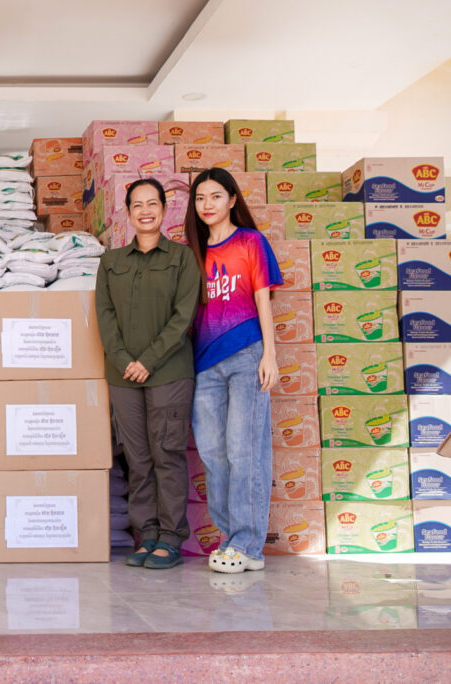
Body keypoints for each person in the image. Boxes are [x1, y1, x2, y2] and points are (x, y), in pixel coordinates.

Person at [95, 178, 201, 570]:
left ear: (164, 209)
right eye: (137, 205)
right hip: (122, 375)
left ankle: (171, 538)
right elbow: (105, 316)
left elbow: (183, 317)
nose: (145, 211)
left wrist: (148, 361)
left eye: (152, 203)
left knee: (166, 454)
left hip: (169, 372)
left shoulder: (182, 259)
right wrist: (124, 359)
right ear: (127, 212)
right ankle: (148, 535)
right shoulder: (111, 263)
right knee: (137, 459)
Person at [183, 168, 282, 574]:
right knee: (212, 453)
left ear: (232, 200)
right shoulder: (191, 252)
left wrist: (270, 355)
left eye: (215, 196)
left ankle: (247, 544)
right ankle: (232, 539)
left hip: (246, 355)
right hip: (204, 363)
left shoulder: (250, 242)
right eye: (200, 198)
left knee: (245, 449)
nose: (207, 205)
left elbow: (263, 300)